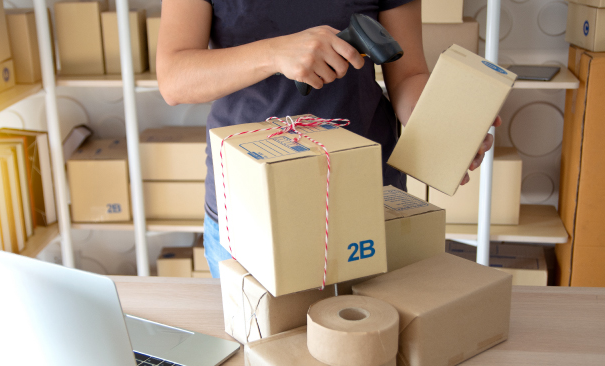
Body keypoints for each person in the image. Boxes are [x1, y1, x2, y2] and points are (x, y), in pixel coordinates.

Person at [157, 0, 498, 277]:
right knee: (263, 354)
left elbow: (408, 74)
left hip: (362, 200)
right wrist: (275, 53)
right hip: (251, 207)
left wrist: (446, 128)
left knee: (371, 349)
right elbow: (174, 78)